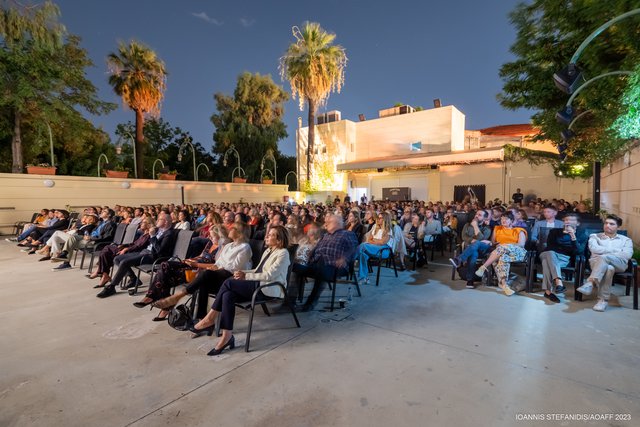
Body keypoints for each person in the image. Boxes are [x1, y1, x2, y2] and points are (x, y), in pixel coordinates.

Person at [190, 225, 291, 356]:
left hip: (269, 288)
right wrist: (242, 272)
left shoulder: (283, 253)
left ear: (279, 240)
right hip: (257, 283)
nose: (267, 236)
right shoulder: (269, 251)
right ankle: (227, 336)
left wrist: (246, 276)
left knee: (228, 282)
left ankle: (209, 318)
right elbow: (257, 271)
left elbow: (270, 275)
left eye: (271, 235)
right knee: (228, 295)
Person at [150, 223, 251, 322]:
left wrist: (214, 268)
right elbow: (219, 262)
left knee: (206, 274)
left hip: (233, 278)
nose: (230, 228)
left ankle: (177, 296)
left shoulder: (245, 247)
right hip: (220, 275)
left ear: (240, 233)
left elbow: (234, 268)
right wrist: (214, 267)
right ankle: (201, 318)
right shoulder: (229, 245)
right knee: (204, 282)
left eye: (233, 228)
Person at [95, 211, 177, 298]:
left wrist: (152, 236)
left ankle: (111, 287)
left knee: (124, 262)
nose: (157, 221)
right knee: (117, 258)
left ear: (166, 222)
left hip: (153, 256)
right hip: (144, 252)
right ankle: (134, 279)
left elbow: (159, 251)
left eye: (160, 219)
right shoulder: (158, 230)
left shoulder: (169, 234)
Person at [296, 214, 358, 311]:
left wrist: (344, 258)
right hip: (317, 264)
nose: (326, 223)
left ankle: (309, 304)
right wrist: (309, 258)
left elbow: (354, 248)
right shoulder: (325, 235)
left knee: (322, 269)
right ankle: (289, 300)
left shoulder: (347, 234)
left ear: (337, 223)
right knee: (294, 267)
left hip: (335, 266)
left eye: (329, 222)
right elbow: (316, 249)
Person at [576, 215, 633, 312]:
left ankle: (590, 283)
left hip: (619, 264)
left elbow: (627, 255)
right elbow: (594, 249)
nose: (607, 225)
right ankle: (603, 300)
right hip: (596, 263)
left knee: (604, 257)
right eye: (606, 223)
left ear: (618, 227)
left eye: (611, 224)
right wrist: (616, 251)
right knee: (609, 268)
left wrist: (603, 252)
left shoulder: (626, 240)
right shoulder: (594, 236)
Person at [88, 217, 154, 288]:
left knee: (107, 250)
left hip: (134, 252)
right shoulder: (143, 233)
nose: (140, 224)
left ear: (149, 224)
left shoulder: (149, 235)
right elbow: (134, 243)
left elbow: (138, 246)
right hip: (130, 249)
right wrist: (124, 245)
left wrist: (126, 249)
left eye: (143, 222)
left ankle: (103, 273)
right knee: (106, 252)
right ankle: (104, 275)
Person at [474, 212, 527, 296]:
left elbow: (521, 244)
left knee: (502, 247)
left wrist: (506, 245)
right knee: (502, 258)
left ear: (512, 221)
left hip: (517, 252)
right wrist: (497, 244)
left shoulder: (518, 230)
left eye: (506, 219)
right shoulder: (497, 228)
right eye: (502, 219)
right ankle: (505, 285)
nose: (503, 220)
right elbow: (493, 242)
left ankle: (483, 267)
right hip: (501, 252)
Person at [538, 213, 587, 303]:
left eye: (572, 220)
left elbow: (578, 251)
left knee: (547, 263)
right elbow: (550, 246)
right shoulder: (554, 231)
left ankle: (548, 292)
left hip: (564, 258)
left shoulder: (582, 235)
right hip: (547, 253)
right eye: (566, 220)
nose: (568, 222)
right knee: (550, 253)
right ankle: (558, 282)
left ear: (578, 223)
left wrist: (573, 236)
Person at [449, 210, 492, 288]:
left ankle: (459, 260)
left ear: (485, 218)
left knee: (477, 244)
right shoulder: (467, 225)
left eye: (479, 215)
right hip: (470, 249)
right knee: (473, 253)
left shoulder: (487, 228)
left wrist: (475, 226)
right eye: (476, 214)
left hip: (482, 250)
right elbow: (463, 236)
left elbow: (482, 238)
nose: (476, 216)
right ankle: (470, 281)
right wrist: (471, 240)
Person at [357, 211, 394, 284]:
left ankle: (350, 257)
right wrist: (376, 241)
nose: (378, 219)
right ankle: (364, 278)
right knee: (362, 254)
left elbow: (382, 242)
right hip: (372, 248)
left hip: (384, 250)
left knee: (363, 245)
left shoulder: (388, 230)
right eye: (378, 218)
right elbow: (369, 239)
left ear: (385, 220)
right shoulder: (375, 228)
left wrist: (373, 240)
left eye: (380, 218)